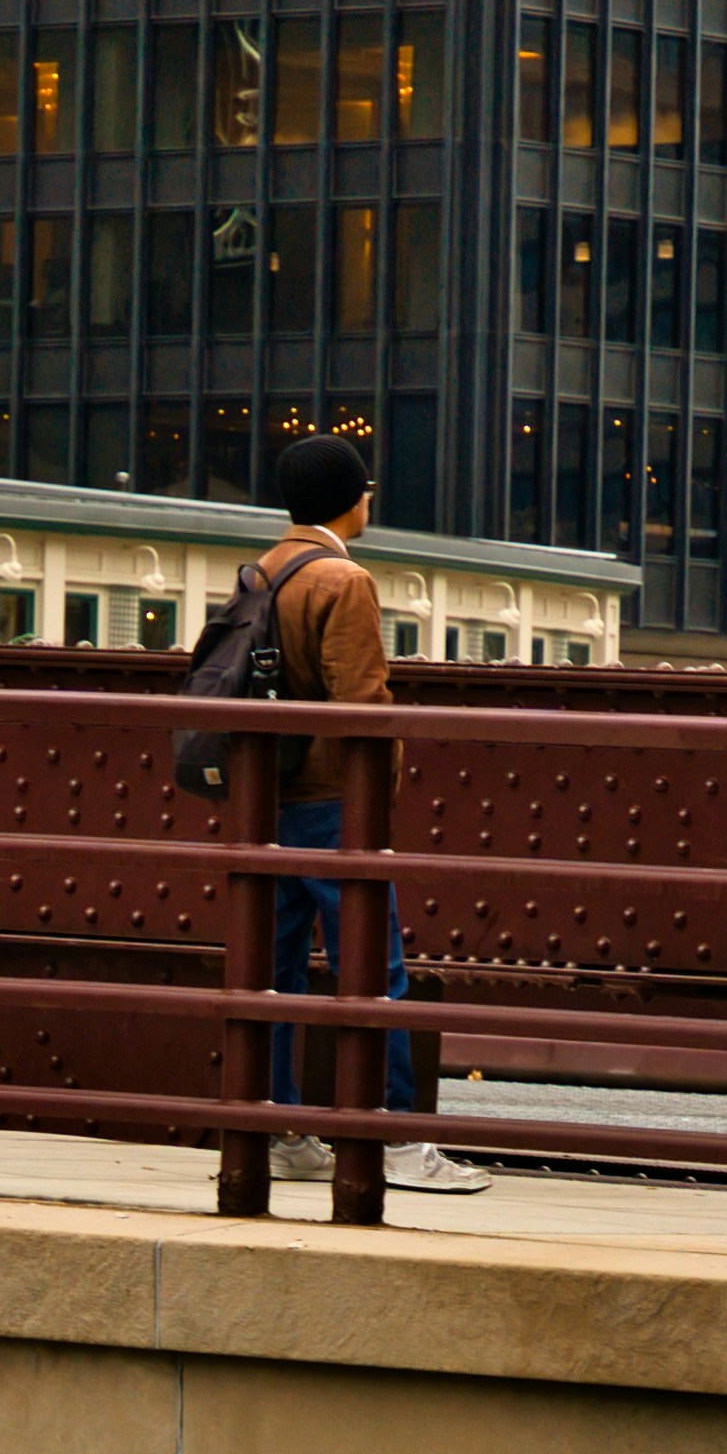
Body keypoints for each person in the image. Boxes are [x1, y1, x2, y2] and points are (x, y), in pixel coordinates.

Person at [257, 438, 488, 1194]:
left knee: (276, 974)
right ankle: (394, 1141)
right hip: (332, 802)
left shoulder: (264, 570)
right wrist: (378, 796)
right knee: (374, 970)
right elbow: (361, 701)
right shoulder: (341, 579)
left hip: (272, 796)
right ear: (352, 498)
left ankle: (277, 1131)